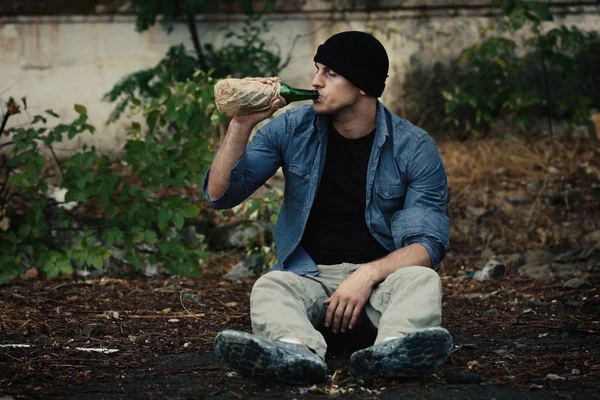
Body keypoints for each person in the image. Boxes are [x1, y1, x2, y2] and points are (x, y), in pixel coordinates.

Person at [203, 31, 452, 384]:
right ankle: (295, 351)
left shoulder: (413, 147)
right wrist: (241, 124)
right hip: (311, 282)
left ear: (363, 84)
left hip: (379, 292)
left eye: (330, 73)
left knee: (422, 279)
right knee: (270, 285)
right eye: (317, 69)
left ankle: (394, 350)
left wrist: (364, 276)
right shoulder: (292, 127)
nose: (316, 81)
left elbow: (427, 245)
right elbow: (220, 195)